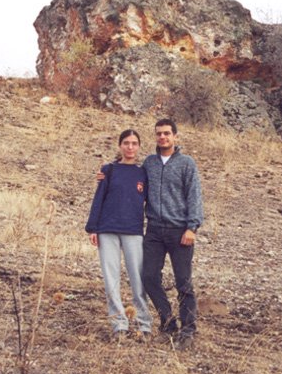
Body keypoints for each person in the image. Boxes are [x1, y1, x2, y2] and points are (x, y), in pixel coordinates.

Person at [142, 118, 204, 348]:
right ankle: (168, 322)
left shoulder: (187, 163)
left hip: (180, 231)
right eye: (159, 133)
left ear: (175, 136)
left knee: (183, 283)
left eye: (167, 133)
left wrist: (192, 227)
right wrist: (107, 174)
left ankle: (188, 330)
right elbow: (134, 184)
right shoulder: (149, 163)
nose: (163, 137)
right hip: (155, 230)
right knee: (148, 276)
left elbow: (194, 196)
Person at [85, 129, 152, 341]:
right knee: (111, 279)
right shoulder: (109, 170)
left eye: (134, 143)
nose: (130, 147)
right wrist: (92, 228)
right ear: (120, 145)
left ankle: (144, 325)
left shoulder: (144, 172)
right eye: (126, 143)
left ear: (139, 146)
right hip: (107, 229)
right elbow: (99, 199)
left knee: (138, 279)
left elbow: (151, 201)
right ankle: (119, 325)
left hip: (133, 231)